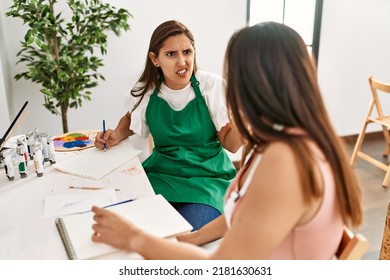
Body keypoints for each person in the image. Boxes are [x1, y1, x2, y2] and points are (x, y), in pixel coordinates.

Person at [91, 21, 363, 259]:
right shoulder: (283, 142)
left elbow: (221, 266)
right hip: (170, 180)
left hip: (208, 193)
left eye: (237, 74)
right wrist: (193, 238)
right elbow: (245, 210)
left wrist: (135, 239)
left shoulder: (284, 159)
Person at [94, 20, 242, 230]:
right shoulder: (147, 89)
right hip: (162, 176)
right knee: (140, 227)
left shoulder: (211, 86)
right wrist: (116, 134)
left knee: (186, 233)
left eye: (187, 52)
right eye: (171, 54)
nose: (182, 61)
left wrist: (250, 121)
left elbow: (232, 145)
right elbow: (130, 118)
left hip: (207, 181)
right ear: (155, 59)